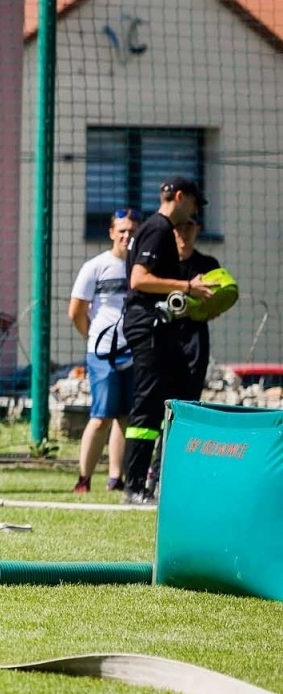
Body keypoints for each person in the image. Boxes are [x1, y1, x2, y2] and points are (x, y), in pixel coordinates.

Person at [120, 177, 213, 505]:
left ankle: (159, 481)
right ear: (179, 196)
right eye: (193, 203)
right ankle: (133, 487)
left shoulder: (154, 229)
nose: (194, 212)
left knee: (171, 400)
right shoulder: (159, 229)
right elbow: (139, 279)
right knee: (147, 405)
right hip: (148, 327)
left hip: (159, 328)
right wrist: (188, 286)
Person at [67, 208, 138, 493]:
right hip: (102, 354)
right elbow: (76, 312)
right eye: (121, 230)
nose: (127, 235)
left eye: (132, 230)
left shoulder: (141, 268)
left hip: (134, 352)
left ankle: (115, 478)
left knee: (126, 416)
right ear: (111, 233)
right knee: (101, 417)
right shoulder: (95, 267)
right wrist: (95, 339)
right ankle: (84, 479)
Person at [169, 216, 222, 403]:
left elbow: (217, 303)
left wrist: (207, 309)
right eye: (178, 227)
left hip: (195, 336)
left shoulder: (208, 265)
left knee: (191, 394)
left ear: (198, 229)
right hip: (165, 334)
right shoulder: (162, 265)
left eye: (189, 227)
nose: (183, 233)